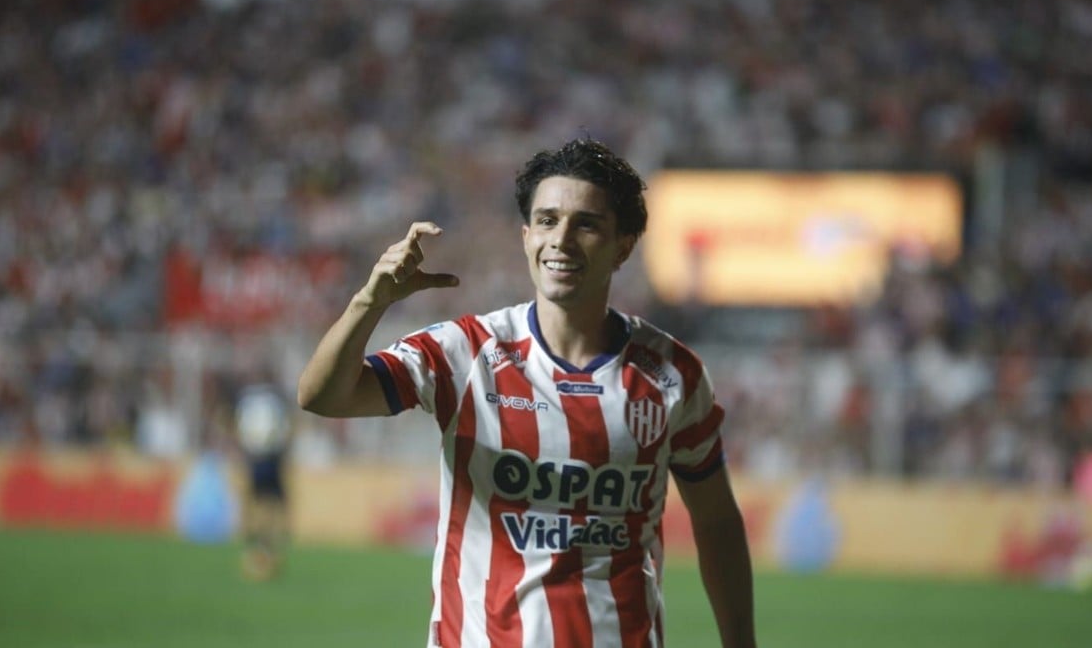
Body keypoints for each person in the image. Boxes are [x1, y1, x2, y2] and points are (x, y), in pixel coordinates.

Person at [297, 138, 756, 647]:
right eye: (547, 220)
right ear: (526, 236)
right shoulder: (465, 351)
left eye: (586, 224)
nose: (561, 239)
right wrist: (369, 301)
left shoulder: (672, 375)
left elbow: (716, 521)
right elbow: (323, 397)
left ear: (623, 246)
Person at [235, 382, 293, 581]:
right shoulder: (268, 402)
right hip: (264, 455)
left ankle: (263, 538)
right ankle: (259, 538)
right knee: (265, 499)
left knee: (265, 499)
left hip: (264, 455)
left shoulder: (254, 402)